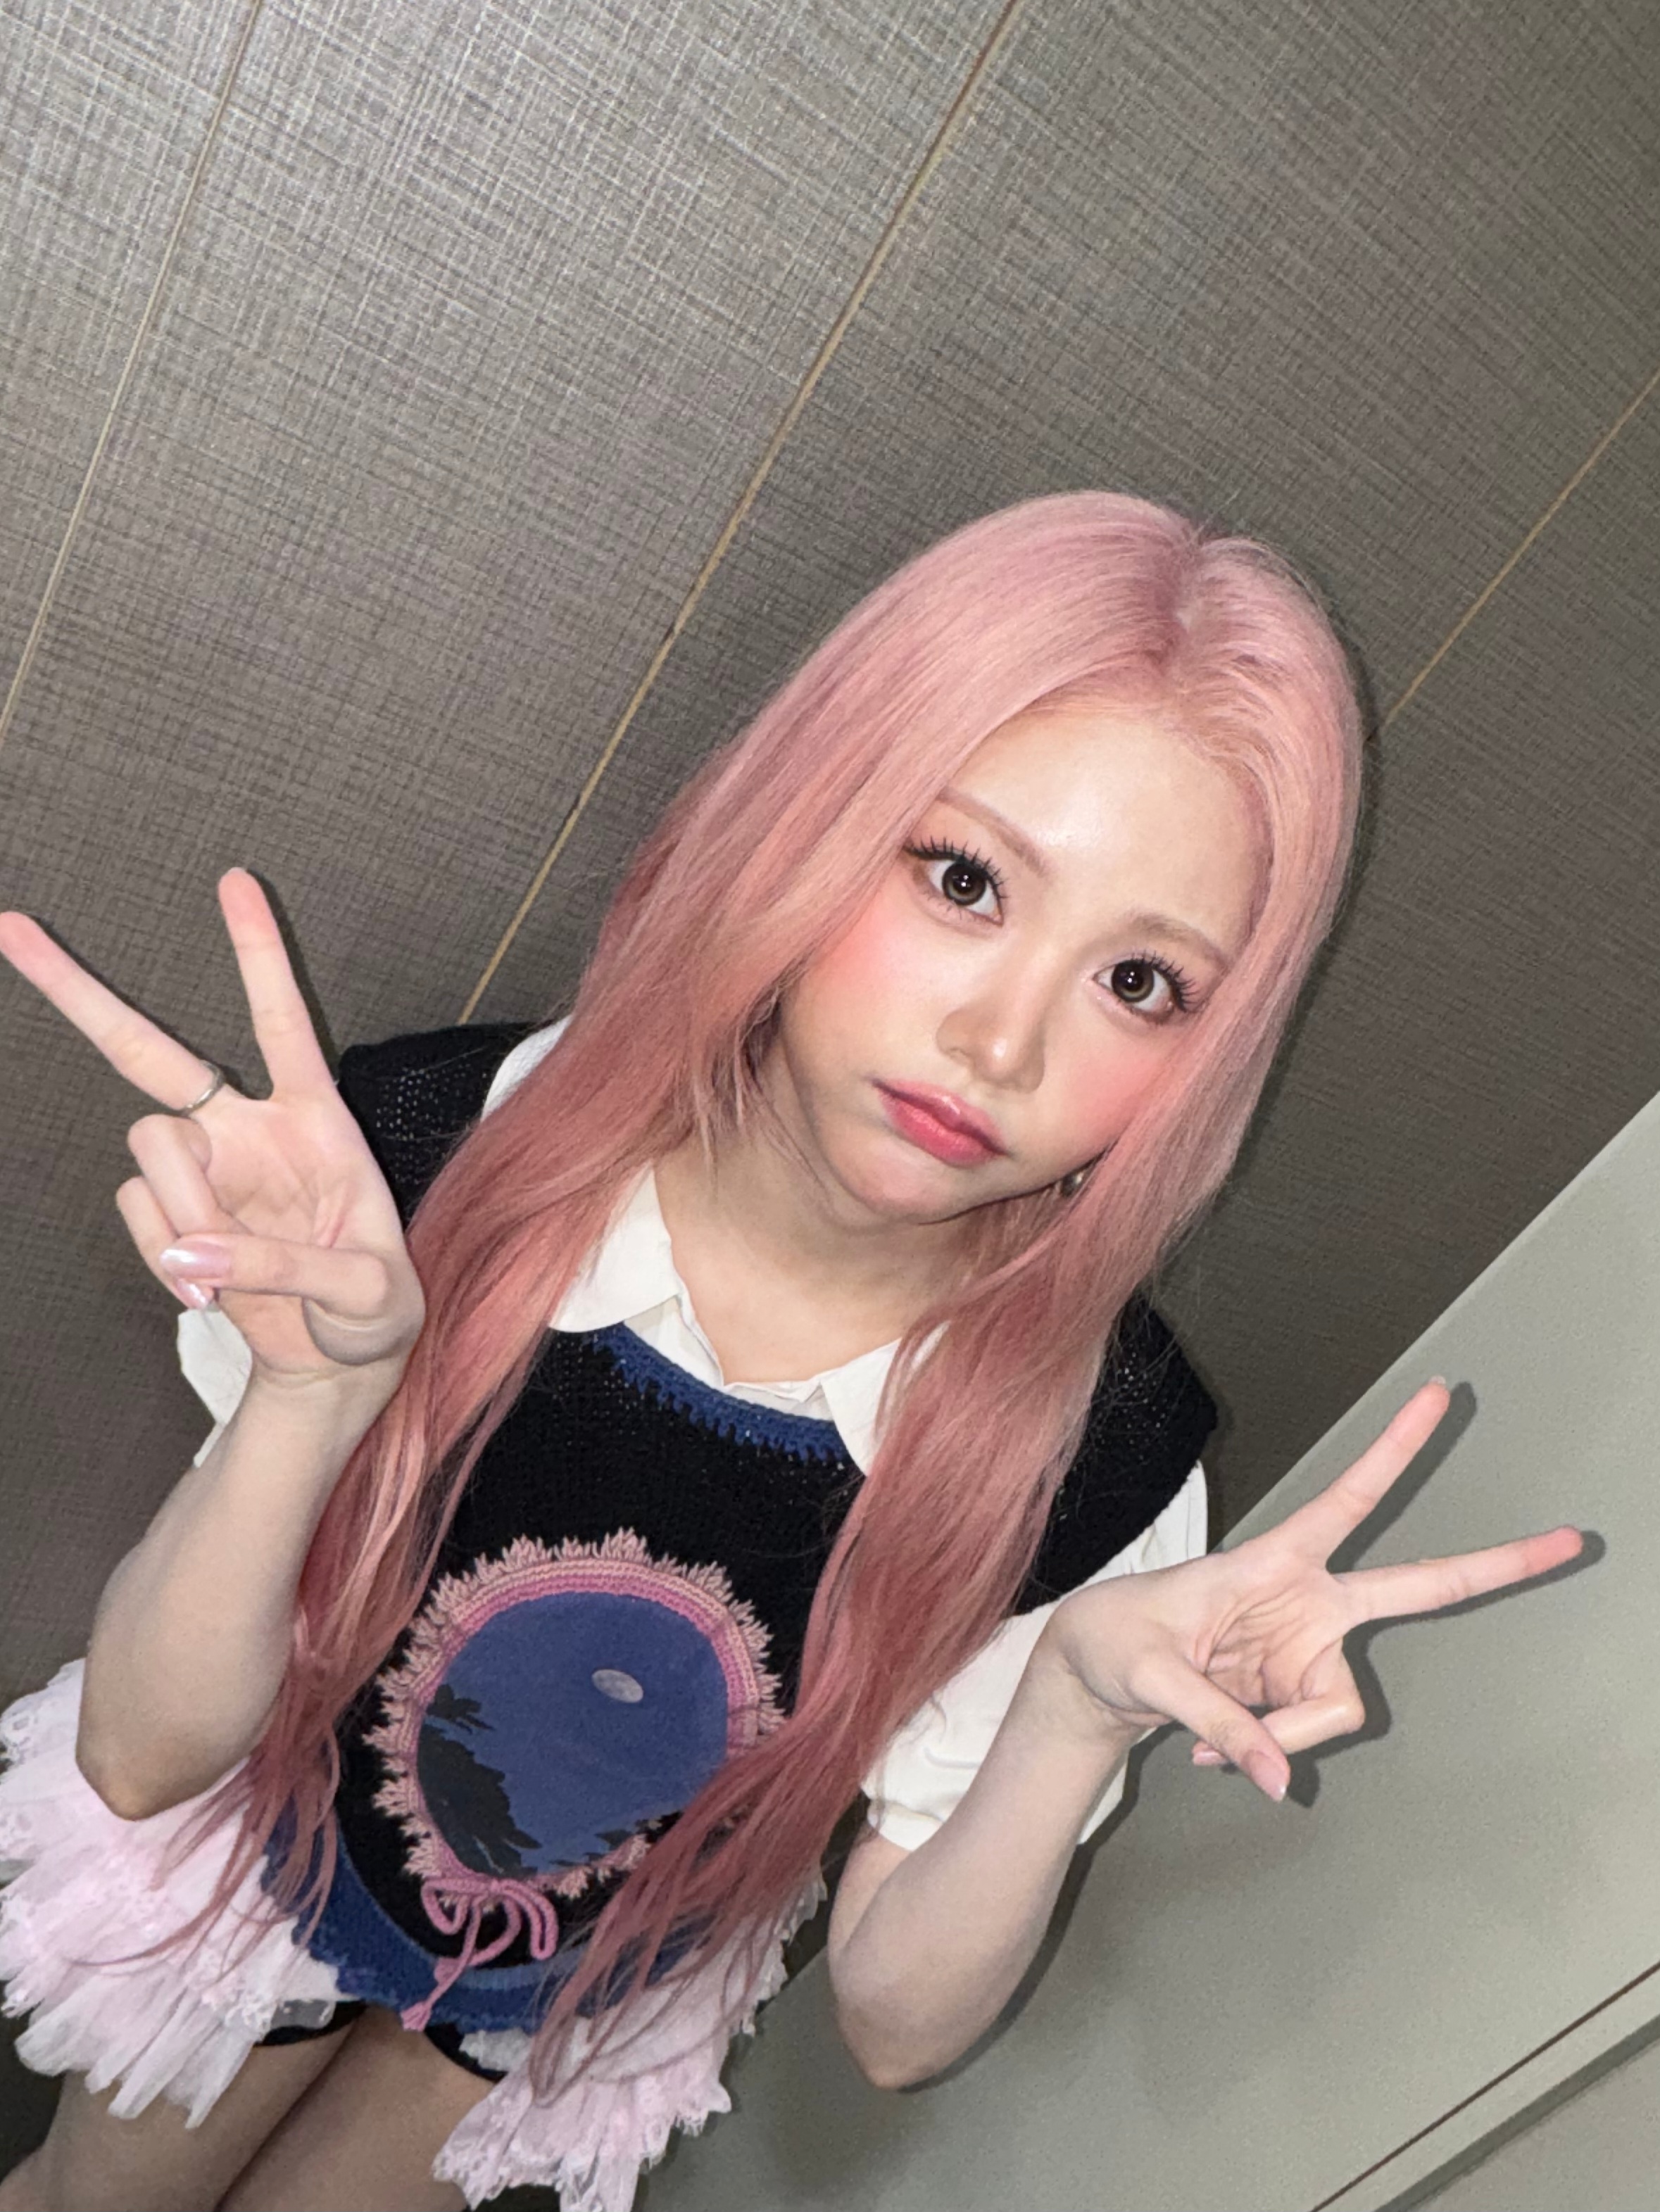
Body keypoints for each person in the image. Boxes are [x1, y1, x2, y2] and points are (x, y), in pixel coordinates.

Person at [0, 493, 1581, 2212]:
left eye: (1140, 984)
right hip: (261, 1854)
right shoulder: (424, 1168)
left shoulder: (1094, 1459)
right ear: (812, 824)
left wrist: (1066, 1713)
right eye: (965, 880)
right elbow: (145, 1759)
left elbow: (896, 2029)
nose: (999, 1042)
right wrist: (315, 1398)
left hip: (573, 1989)